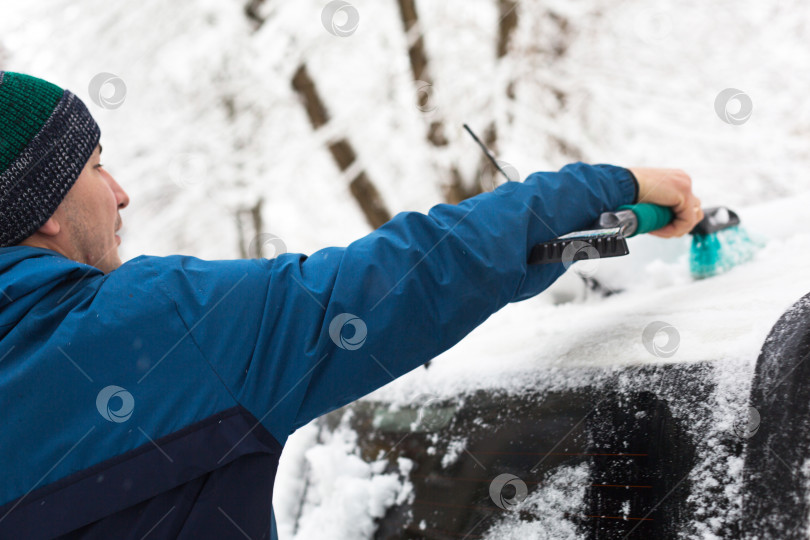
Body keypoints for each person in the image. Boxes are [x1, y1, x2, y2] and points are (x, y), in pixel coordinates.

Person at [0, 71, 703, 539]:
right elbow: (412, 275)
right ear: (44, 206)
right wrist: (609, 186)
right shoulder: (145, 333)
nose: (120, 192)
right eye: (94, 167)